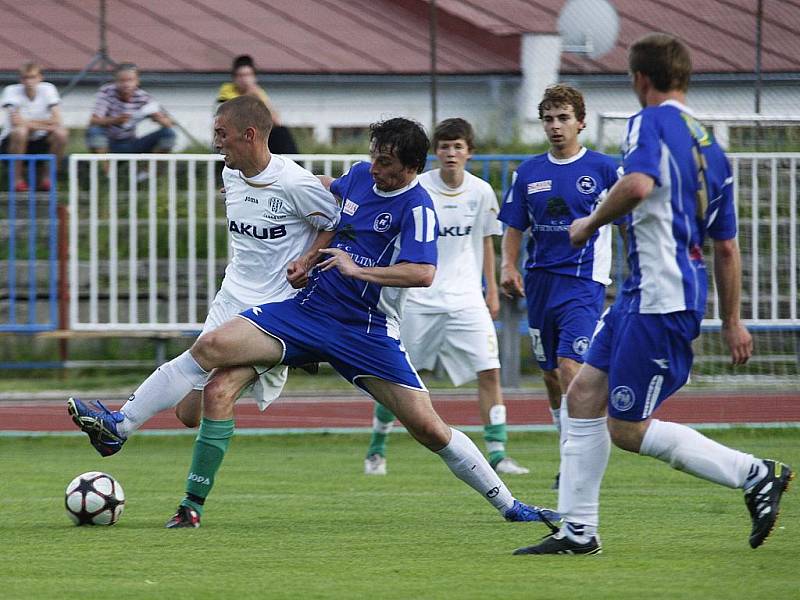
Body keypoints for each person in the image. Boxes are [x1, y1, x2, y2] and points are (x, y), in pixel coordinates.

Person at [69, 117, 558, 529]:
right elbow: (325, 204)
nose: (375, 168)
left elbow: (423, 272)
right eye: (373, 156)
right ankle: (124, 430)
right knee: (212, 348)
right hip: (307, 314)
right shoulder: (359, 177)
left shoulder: (418, 206)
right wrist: (308, 252)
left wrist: (355, 268)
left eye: (386, 162)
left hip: (364, 331)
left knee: (429, 429)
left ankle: (510, 506)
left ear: (412, 167)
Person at [514, 33, 793, 556]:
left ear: (639, 79)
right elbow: (726, 246)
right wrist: (732, 320)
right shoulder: (710, 144)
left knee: (626, 427)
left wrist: (589, 223)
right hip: (646, 295)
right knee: (582, 398)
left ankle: (755, 474)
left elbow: (638, 184)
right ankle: (578, 531)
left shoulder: (649, 121)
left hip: (659, 299)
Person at [70, 94, 339, 442]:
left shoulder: (293, 183)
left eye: (222, 134)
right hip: (231, 296)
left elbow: (335, 221)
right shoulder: (231, 173)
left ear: (250, 134)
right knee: (188, 413)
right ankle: (293, 357)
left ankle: (119, 426)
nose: (216, 143)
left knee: (212, 376)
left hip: (275, 306)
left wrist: (307, 259)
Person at [363, 118, 529, 477]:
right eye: (444, 146)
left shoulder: (482, 191)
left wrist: (490, 290)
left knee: (490, 371)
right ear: (434, 152)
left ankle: (498, 453)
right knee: (397, 377)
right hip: (419, 299)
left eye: (458, 146)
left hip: (466, 298)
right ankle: (376, 449)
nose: (451, 153)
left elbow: (485, 241)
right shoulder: (417, 188)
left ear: (469, 151)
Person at [498, 84, 620, 489]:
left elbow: (630, 221)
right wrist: (508, 265)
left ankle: (577, 460)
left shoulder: (604, 170)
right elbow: (515, 225)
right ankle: (568, 444)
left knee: (572, 368)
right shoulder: (529, 172)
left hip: (583, 284)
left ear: (580, 122)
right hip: (540, 284)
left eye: (563, 117)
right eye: (548, 118)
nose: (555, 126)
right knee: (550, 374)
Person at [0, 63, 67, 191]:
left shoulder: (48, 89)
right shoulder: (11, 91)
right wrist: (45, 124)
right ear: (21, 80)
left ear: (40, 78)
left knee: (61, 134)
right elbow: (16, 122)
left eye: (32, 77)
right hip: (12, 142)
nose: (29, 82)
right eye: (25, 78)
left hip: (40, 139)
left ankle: (48, 178)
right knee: (20, 132)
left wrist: (27, 122)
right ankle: (17, 179)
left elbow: (57, 120)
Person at [86, 63, 176, 155]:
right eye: (122, 81)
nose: (126, 85)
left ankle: (148, 168)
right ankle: (106, 168)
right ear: (115, 81)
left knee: (168, 133)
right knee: (94, 131)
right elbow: (93, 121)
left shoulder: (143, 97)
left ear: (137, 81)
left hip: (130, 142)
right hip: (108, 142)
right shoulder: (106, 92)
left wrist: (158, 118)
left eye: (130, 80)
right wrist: (114, 120)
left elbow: (169, 123)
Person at [217, 54, 298, 155]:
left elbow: (276, 121)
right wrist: (250, 96)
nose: (244, 80)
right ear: (234, 78)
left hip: (254, 136)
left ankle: (293, 163)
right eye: (240, 75)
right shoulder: (227, 91)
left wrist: (257, 97)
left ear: (254, 77)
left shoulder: (257, 92)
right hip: (235, 136)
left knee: (281, 133)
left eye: (248, 75)